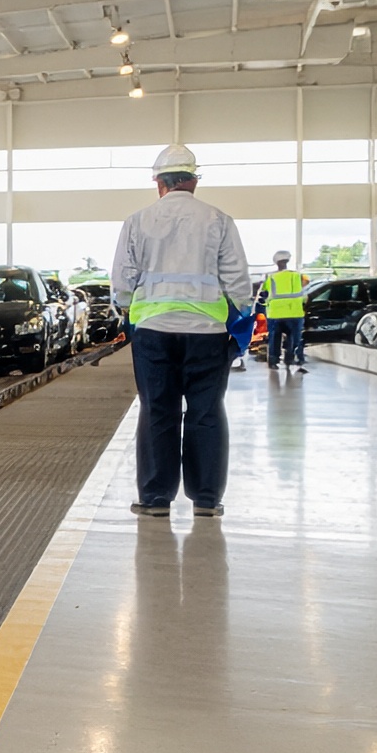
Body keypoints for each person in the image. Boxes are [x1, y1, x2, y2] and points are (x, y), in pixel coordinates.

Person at [111, 144, 249, 518]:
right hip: (208, 334)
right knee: (206, 412)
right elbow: (238, 281)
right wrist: (240, 322)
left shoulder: (137, 221)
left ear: (159, 183)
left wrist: (128, 310)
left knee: (158, 410)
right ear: (193, 181)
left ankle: (156, 498)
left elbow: (122, 282)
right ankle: (206, 499)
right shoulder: (219, 220)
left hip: (154, 332)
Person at [258, 248, 308, 371]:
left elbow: (263, 293)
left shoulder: (271, 277)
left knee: (275, 339)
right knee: (294, 338)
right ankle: (293, 359)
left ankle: (274, 362)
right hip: (295, 313)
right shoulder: (298, 276)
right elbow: (306, 285)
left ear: (276, 262)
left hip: (276, 314)